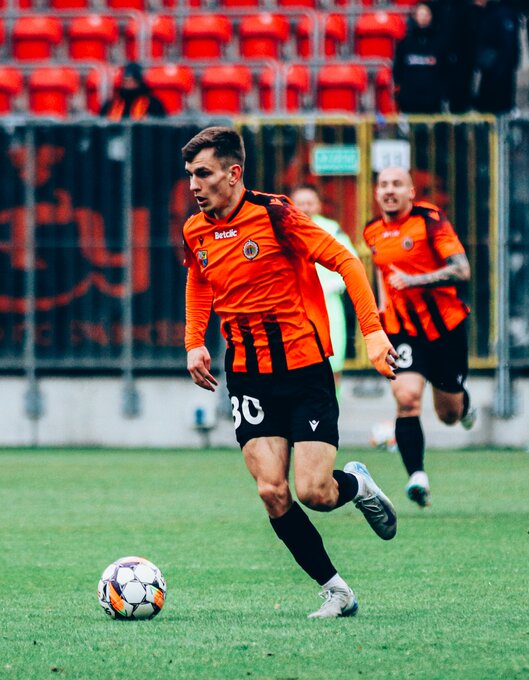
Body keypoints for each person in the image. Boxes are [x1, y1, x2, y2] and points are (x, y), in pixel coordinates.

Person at [181, 127, 399, 619]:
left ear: (233, 173)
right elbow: (198, 278)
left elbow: (346, 261)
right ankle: (337, 591)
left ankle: (357, 485)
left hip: (304, 370)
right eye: (190, 175)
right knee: (271, 491)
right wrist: (195, 341)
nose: (194, 184)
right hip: (248, 376)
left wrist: (372, 331)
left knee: (314, 493)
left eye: (203, 173)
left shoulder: (275, 214)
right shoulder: (195, 229)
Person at [363, 167, 475, 509]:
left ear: (411, 192)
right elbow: (383, 273)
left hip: (445, 328)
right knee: (407, 397)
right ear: (377, 192)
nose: (389, 190)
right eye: (384, 185)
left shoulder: (430, 220)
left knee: (448, 414)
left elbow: (462, 269)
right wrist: (382, 308)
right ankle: (417, 476)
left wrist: (415, 281)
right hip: (402, 329)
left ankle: (464, 404)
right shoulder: (372, 231)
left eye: (397, 184)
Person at [291, 184, 359, 392]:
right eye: (300, 203)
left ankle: (333, 406)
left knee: (333, 364)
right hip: (293, 308)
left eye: (309, 203)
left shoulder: (331, 229)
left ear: (318, 205)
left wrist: (332, 286)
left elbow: (352, 265)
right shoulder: (282, 230)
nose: (305, 208)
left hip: (329, 305)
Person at [392, 2, 448, 114]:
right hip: (410, 99)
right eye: (421, 14)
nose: (424, 17)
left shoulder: (439, 43)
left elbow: (444, 70)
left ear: (431, 17)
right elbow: (398, 70)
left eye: (426, 14)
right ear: (415, 16)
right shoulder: (405, 44)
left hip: (432, 100)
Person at [101, 63, 167, 120]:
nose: (128, 84)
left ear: (139, 82)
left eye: (131, 81)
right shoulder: (112, 104)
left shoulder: (153, 104)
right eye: (125, 81)